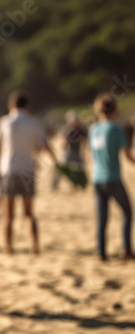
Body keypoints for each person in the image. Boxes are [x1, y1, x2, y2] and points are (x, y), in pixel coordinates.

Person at [0, 90, 56, 255]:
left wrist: (5, 154)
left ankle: (8, 247)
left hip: (8, 170)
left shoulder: (4, 122)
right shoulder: (33, 122)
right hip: (27, 170)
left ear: (11, 105)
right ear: (27, 105)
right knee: (28, 213)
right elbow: (46, 145)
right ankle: (34, 246)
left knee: (9, 215)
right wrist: (56, 162)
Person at [89, 93, 135, 261]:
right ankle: (127, 250)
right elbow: (127, 155)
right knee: (128, 212)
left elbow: (90, 155)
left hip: (97, 178)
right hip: (112, 177)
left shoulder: (94, 130)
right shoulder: (116, 129)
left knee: (102, 218)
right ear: (114, 109)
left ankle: (101, 253)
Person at [51, 110, 88, 190]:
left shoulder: (81, 129)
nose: (74, 122)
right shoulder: (66, 128)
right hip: (68, 151)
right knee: (61, 168)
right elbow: (62, 139)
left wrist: (85, 151)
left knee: (80, 169)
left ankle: (79, 184)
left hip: (77, 151)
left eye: (75, 120)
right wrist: (62, 144)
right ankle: (55, 185)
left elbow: (85, 140)